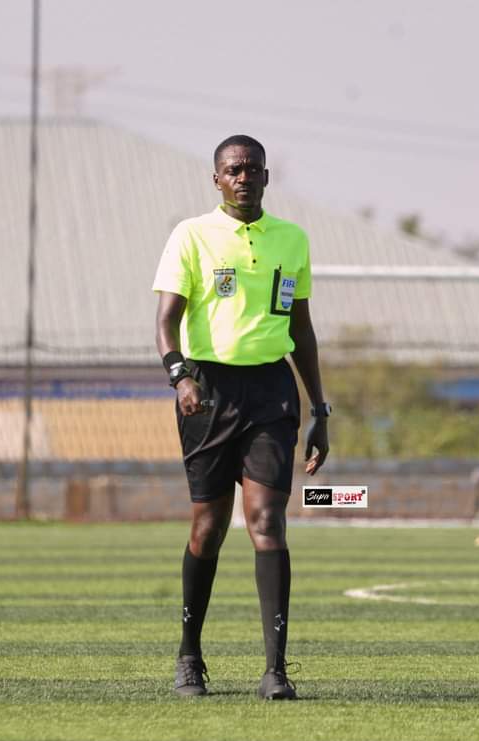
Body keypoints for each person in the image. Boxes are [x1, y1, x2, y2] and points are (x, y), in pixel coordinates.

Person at [152, 135, 330, 699]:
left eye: (252, 168)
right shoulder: (191, 235)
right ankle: (189, 656)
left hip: (272, 393)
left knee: (267, 521)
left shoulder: (292, 240)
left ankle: (275, 670)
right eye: (233, 169)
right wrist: (179, 376)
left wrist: (319, 408)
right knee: (207, 528)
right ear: (217, 179)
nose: (243, 177)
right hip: (206, 392)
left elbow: (300, 328)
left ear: (267, 177)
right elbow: (164, 321)